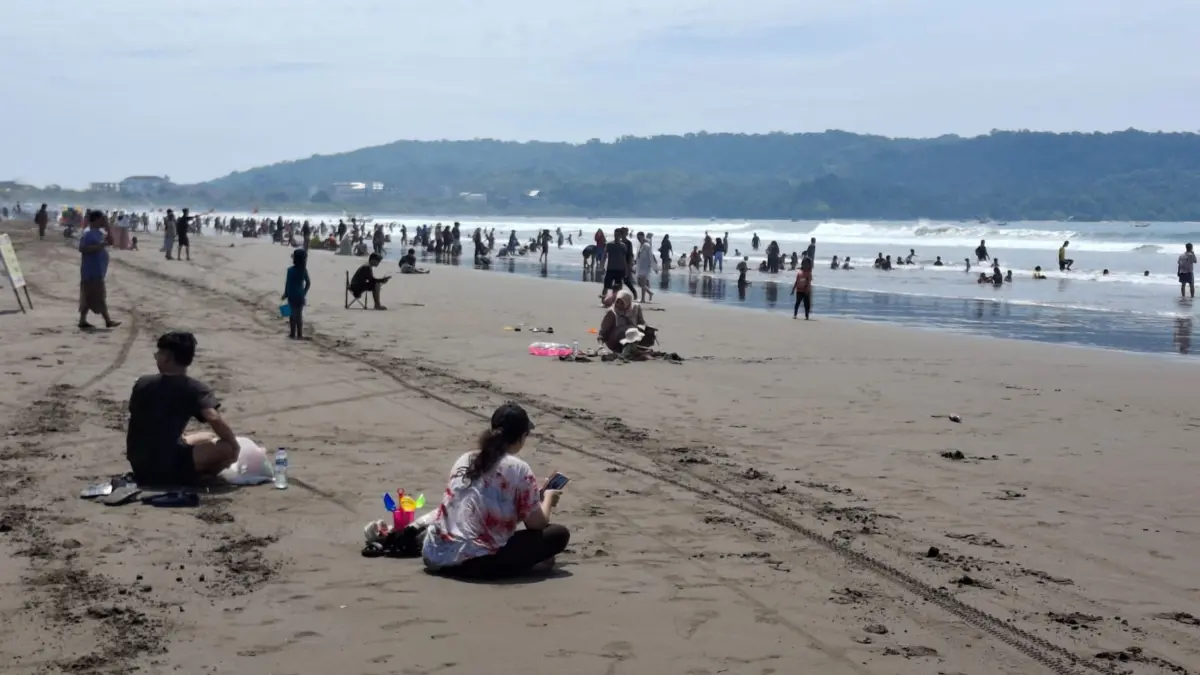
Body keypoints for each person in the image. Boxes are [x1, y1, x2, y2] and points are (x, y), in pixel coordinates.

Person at [422, 403, 569, 579]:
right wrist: (548, 500)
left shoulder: (465, 458)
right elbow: (537, 524)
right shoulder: (519, 468)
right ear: (522, 437)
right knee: (558, 534)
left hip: (435, 555)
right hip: (473, 562)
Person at [126, 332, 240, 486]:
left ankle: (188, 470)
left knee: (206, 436)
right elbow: (213, 417)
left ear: (167, 358)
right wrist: (234, 445)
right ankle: (197, 477)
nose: (156, 357)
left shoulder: (142, 383)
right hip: (165, 466)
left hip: (139, 463)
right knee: (226, 448)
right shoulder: (194, 388)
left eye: (158, 353)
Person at [78, 211, 120, 330]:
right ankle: (108, 320)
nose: (103, 222)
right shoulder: (88, 233)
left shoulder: (99, 233)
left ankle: (82, 320)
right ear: (96, 220)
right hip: (91, 270)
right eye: (102, 219)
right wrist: (100, 246)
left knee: (88, 296)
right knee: (99, 296)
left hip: (97, 269)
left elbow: (111, 242)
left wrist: (108, 227)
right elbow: (82, 249)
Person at [599, 288, 649, 353]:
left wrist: (646, 329)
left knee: (642, 331)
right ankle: (626, 349)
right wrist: (601, 347)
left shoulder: (635, 308)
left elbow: (641, 322)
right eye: (617, 302)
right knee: (625, 330)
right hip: (615, 342)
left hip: (633, 337)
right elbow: (602, 333)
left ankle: (635, 347)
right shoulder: (612, 312)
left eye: (622, 303)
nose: (618, 305)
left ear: (628, 302)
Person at [282, 249, 311, 339]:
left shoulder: (290, 270)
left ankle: (292, 334)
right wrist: (304, 292)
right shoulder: (303, 270)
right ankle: (299, 334)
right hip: (300, 296)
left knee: (291, 315)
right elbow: (308, 283)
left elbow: (287, 284)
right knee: (299, 316)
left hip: (291, 296)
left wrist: (285, 294)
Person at [634, 232, 659, 302]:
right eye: (637, 238)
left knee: (643, 283)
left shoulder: (647, 246)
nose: (638, 239)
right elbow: (637, 255)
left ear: (643, 237)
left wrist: (655, 268)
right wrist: (635, 263)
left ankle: (643, 299)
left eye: (639, 237)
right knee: (639, 283)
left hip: (645, 267)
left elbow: (651, 257)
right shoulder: (639, 245)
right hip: (639, 266)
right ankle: (650, 293)